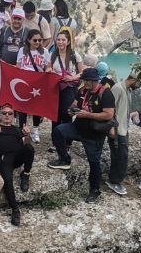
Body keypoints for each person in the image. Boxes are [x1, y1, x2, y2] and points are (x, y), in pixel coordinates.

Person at [48, 68, 116, 203]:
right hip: (77, 128)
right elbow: (74, 104)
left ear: (94, 81)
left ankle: (95, 190)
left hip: (94, 134)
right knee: (58, 131)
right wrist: (71, 110)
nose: (84, 83)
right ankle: (64, 159)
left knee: (94, 162)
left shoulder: (106, 93)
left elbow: (109, 114)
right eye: (83, 80)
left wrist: (88, 115)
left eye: (86, 81)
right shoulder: (82, 90)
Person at [0, 104, 35, 226]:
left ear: (13, 116)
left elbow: (26, 143)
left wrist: (27, 135)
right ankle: (15, 209)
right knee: (7, 181)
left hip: (16, 157)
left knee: (29, 148)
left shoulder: (17, 129)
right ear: (0, 115)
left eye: (10, 113)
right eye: (4, 113)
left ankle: (25, 173)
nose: (7, 115)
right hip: (3, 159)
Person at [106, 71, 141, 196]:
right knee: (119, 155)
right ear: (133, 80)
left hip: (123, 128)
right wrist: (111, 127)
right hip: (116, 129)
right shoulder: (118, 88)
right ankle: (114, 181)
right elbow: (109, 107)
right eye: (138, 83)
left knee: (122, 155)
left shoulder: (127, 90)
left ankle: (116, 179)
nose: (139, 86)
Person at [47, 28, 81, 144]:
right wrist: (49, 70)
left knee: (67, 114)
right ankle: (56, 141)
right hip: (56, 88)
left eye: (63, 40)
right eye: (58, 40)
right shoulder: (52, 55)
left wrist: (72, 78)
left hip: (69, 88)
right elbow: (48, 67)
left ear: (68, 42)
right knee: (55, 114)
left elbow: (82, 72)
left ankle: (67, 142)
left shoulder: (74, 55)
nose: (60, 42)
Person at [15, 29, 48, 140]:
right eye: (35, 40)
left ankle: (35, 129)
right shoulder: (22, 50)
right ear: (29, 40)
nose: (38, 42)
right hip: (25, 81)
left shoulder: (44, 52)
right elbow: (18, 66)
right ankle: (22, 129)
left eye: (40, 40)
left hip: (38, 82)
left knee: (36, 107)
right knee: (22, 106)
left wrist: (48, 71)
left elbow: (47, 66)